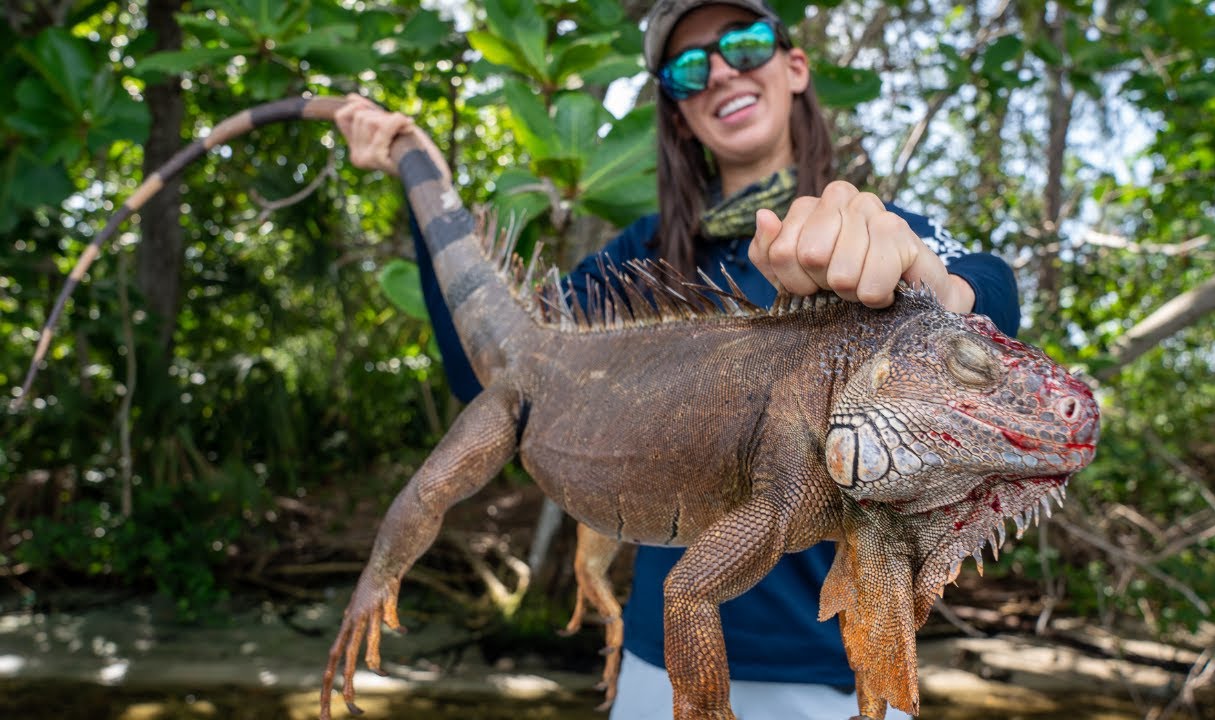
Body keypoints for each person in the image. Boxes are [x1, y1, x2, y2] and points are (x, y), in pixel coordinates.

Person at [336, 1, 1019, 717]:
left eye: (746, 45)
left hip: (837, 673)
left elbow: (991, 296)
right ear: (676, 107)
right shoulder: (644, 257)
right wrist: (422, 183)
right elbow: (491, 364)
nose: (722, 72)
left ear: (794, 67)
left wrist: (938, 288)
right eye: (691, 66)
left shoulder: (872, 230)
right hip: (659, 665)